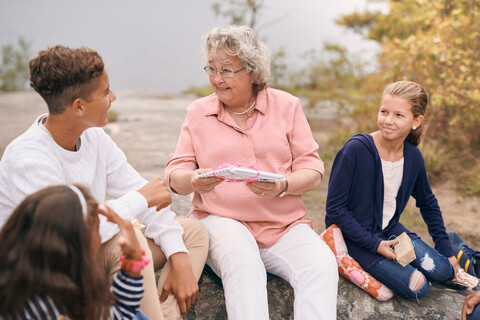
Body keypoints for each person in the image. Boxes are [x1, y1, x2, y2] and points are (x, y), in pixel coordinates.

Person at [0, 45, 209, 320]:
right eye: (105, 91)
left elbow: (144, 197)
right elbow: (70, 234)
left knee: (192, 234)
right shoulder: (28, 159)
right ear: (79, 106)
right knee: (132, 236)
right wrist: (140, 199)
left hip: (90, 253)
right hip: (49, 273)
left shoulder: (93, 137)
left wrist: (178, 257)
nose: (113, 97)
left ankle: (163, 315)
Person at [162, 25, 338, 320]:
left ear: (253, 71)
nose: (217, 79)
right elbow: (175, 172)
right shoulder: (197, 112)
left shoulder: (288, 106)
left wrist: (283, 184)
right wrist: (193, 180)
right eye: (211, 68)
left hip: (282, 225)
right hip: (221, 220)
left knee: (321, 264)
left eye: (227, 70)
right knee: (244, 266)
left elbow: (312, 168)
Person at [326, 80, 459, 299]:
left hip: (390, 231)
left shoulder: (413, 157)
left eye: (399, 115)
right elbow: (334, 209)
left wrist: (446, 249)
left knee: (443, 270)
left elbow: (428, 203)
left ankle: (458, 247)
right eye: (384, 112)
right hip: (353, 236)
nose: (388, 121)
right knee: (419, 286)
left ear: (416, 121)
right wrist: (375, 244)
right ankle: (341, 258)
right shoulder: (356, 149)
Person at [0, 184, 147, 319]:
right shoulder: (52, 307)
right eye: (97, 229)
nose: (100, 237)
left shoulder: (22, 287)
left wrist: (131, 264)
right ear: (79, 243)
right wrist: (133, 261)